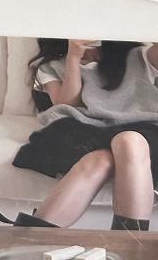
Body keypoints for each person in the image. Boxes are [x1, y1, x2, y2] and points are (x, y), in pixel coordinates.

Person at [12, 38, 158, 231]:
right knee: (101, 160)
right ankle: (27, 239)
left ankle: (130, 244)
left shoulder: (137, 54)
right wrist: (73, 57)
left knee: (129, 141)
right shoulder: (50, 66)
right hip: (86, 128)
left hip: (142, 128)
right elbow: (67, 104)